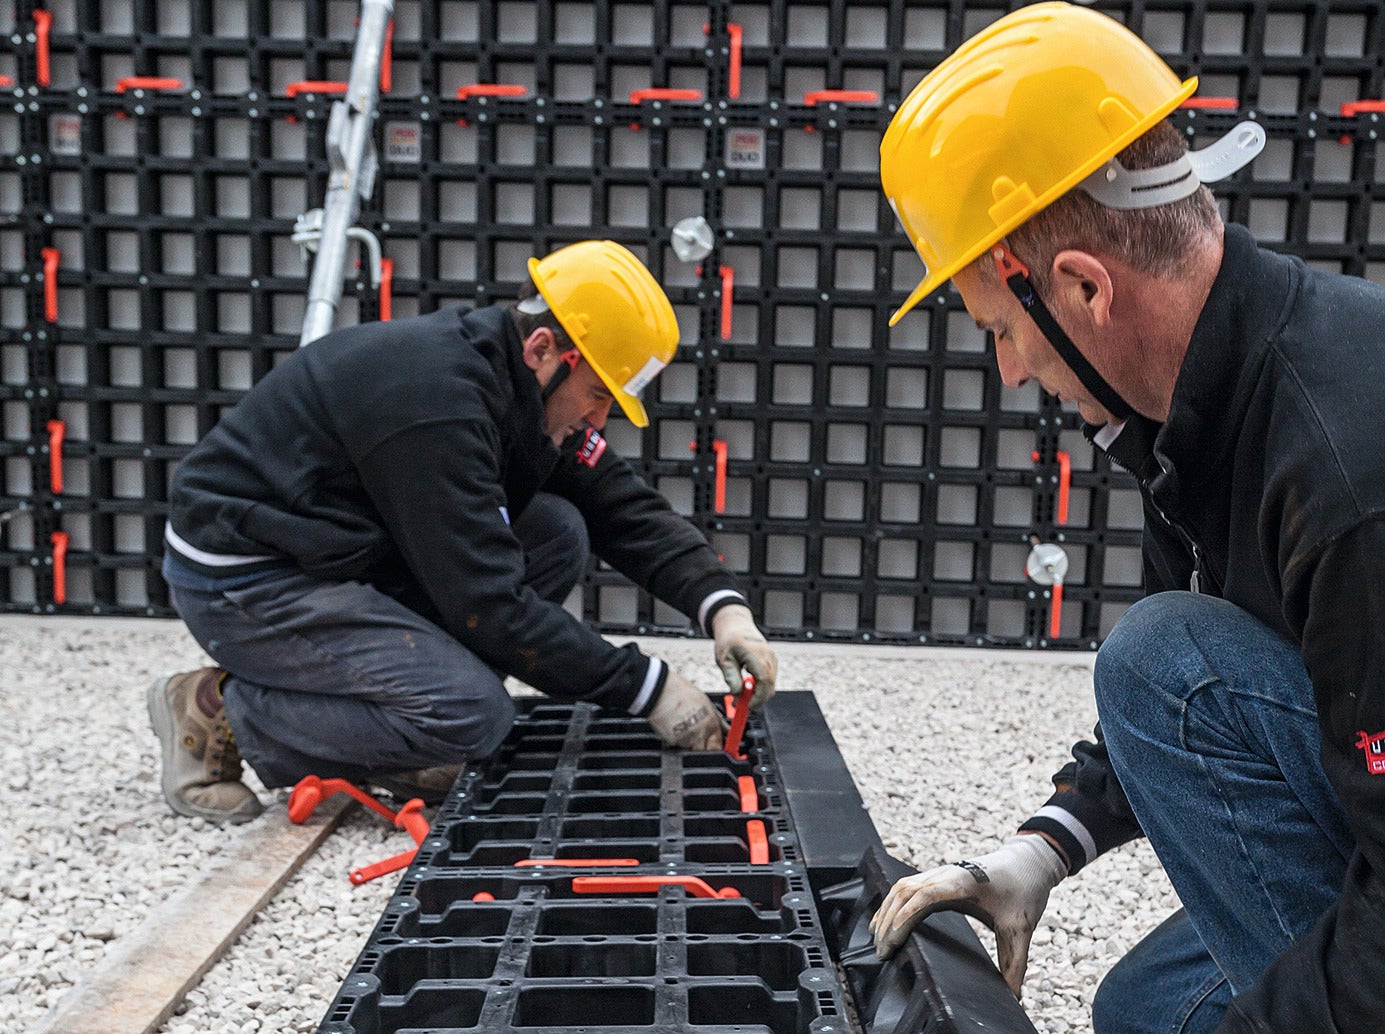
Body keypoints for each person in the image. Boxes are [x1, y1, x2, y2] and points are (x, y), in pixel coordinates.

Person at [868, 4, 1384, 1032]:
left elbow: (1181, 682)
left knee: (1158, 656)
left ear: (1079, 285)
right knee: (1145, 1008)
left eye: (999, 328)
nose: (1009, 367)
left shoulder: (1342, 475)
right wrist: (1045, 842)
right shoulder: (1193, 406)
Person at [149, 239, 777, 824]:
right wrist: (651, 690)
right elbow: (489, 607)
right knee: (472, 716)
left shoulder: (512, 384)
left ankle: (413, 707)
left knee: (557, 530)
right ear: (544, 350)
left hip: (336, 547)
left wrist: (722, 608)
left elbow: (619, 505)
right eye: (596, 393)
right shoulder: (436, 405)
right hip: (248, 579)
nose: (599, 416)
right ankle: (222, 710)